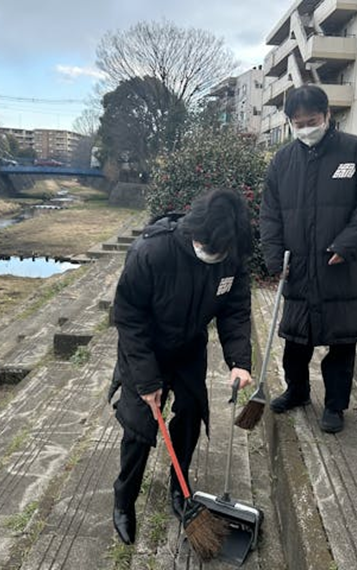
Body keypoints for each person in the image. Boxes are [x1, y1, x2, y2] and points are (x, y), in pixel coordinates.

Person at [109, 188, 254, 545]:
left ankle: (180, 486)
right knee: (139, 428)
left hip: (189, 348)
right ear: (195, 231)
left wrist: (239, 362)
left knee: (190, 416)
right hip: (145, 350)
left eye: (220, 251)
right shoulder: (152, 252)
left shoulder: (230, 258)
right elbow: (127, 316)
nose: (213, 255)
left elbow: (235, 311)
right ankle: (124, 500)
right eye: (208, 247)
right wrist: (147, 381)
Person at [259, 85, 357, 434]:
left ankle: (335, 405)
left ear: (328, 115)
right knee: (296, 339)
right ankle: (297, 391)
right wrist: (274, 257)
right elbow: (269, 213)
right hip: (298, 265)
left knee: (342, 341)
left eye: (312, 121)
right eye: (298, 124)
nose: (305, 129)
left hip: (341, 265)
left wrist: (347, 243)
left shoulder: (354, 151)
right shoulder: (283, 161)